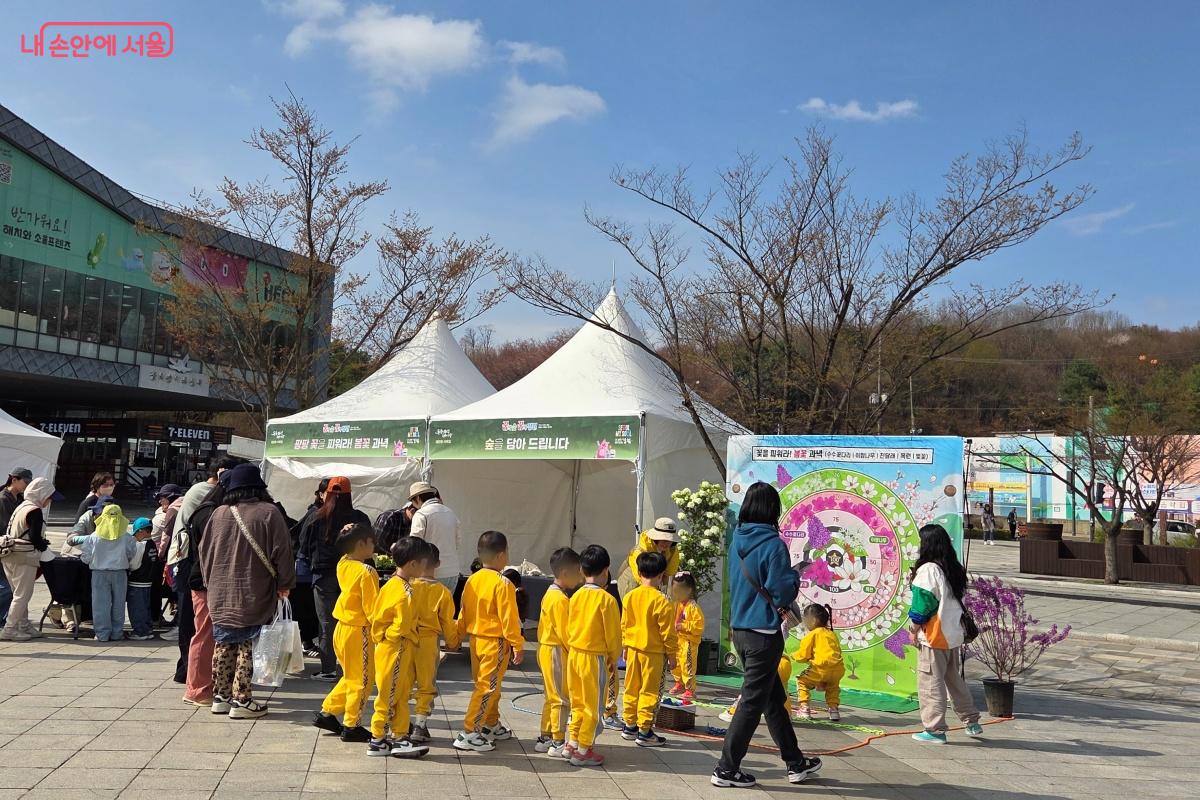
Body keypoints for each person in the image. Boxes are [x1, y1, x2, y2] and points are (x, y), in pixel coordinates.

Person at [715, 481, 822, 790]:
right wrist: (794, 576)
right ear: (772, 510)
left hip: (740, 629)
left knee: (772, 698)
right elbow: (781, 589)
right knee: (752, 701)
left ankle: (795, 762)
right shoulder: (774, 544)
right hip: (763, 632)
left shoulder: (737, 538)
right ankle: (726, 768)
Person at [198, 463, 295, 720]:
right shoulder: (268, 513)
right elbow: (283, 553)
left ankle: (220, 696)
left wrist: (211, 582)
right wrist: (285, 584)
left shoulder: (217, 514)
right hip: (253, 589)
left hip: (220, 591)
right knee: (248, 645)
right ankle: (242, 699)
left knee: (223, 642)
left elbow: (204, 553)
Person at [908, 523, 984, 744]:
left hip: (934, 636)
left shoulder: (928, 569)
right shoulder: (951, 567)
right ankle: (971, 721)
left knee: (930, 682)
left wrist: (913, 629)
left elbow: (922, 606)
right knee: (954, 680)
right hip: (953, 634)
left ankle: (935, 729)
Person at [454, 530, 523, 753]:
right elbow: (510, 619)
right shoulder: (503, 584)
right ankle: (470, 731)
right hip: (495, 642)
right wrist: (517, 644)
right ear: (502, 555)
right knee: (487, 688)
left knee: (489, 686)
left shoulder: (472, 580)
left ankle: (490, 723)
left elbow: (463, 613)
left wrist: (456, 637)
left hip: (475, 641)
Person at [299, 475, 371, 681]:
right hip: (355, 575)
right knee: (356, 621)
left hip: (323, 576)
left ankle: (329, 669)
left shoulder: (315, 517)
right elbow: (371, 544)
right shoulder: (359, 518)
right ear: (349, 495)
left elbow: (302, 546)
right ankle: (355, 667)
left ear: (327, 494)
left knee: (327, 623)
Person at [313, 523, 380, 743]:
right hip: (358, 630)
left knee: (351, 676)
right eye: (371, 541)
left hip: (342, 627)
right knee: (363, 680)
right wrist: (381, 634)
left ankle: (328, 712)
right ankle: (352, 724)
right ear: (361, 544)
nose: (373, 546)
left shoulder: (343, 563)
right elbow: (372, 609)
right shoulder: (367, 571)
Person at [166, 458, 231, 684]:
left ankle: (187, 670)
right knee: (190, 621)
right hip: (188, 562)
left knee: (194, 621)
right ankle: (188, 671)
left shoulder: (206, 492)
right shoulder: (203, 491)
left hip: (189, 561)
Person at [366, 536, 431, 759]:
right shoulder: (406, 592)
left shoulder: (391, 584)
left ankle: (399, 736)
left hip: (390, 647)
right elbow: (401, 625)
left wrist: (384, 635)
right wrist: (396, 636)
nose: (425, 567)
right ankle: (377, 738)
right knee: (390, 694)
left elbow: (377, 617)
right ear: (413, 564)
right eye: (423, 562)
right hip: (397, 647)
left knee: (399, 693)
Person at [562, 544, 621, 767]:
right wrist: (613, 658)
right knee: (593, 706)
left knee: (577, 702)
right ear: (605, 570)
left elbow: (569, 627)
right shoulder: (607, 600)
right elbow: (613, 635)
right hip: (594, 658)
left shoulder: (575, 596)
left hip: (575, 655)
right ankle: (584, 749)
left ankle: (573, 742)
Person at [620, 551, 677, 748]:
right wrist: (672, 655)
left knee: (631, 687)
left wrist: (625, 646)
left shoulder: (629, 596)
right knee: (650, 691)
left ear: (639, 572)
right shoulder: (662, 600)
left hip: (633, 649)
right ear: (661, 575)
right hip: (653, 653)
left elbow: (624, 625)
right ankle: (645, 730)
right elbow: (668, 632)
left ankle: (629, 725)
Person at [411, 543, 461, 743]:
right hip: (429, 642)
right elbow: (448, 622)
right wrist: (453, 642)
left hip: (405, 639)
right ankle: (420, 725)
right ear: (438, 563)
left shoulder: (408, 586)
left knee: (404, 683)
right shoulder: (442, 591)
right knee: (426, 685)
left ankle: (398, 723)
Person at [535, 547, 582, 756]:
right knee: (561, 698)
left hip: (547, 648)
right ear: (565, 573)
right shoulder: (560, 599)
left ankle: (546, 735)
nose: (580, 576)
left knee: (551, 696)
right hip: (556, 650)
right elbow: (566, 633)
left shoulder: (552, 594)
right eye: (577, 571)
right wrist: (576, 653)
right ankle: (557, 740)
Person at [72, 503, 138, 642]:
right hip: (120, 573)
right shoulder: (126, 537)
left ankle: (102, 634)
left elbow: (86, 557)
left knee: (100, 604)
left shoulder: (94, 537)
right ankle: (117, 633)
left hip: (99, 573)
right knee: (119, 604)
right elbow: (131, 553)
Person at [0, 476, 53, 641]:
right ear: (41, 494)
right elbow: (35, 537)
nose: (49, 500)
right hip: (24, 556)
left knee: (18, 593)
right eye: (48, 497)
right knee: (22, 595)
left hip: (9, 554)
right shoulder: (35, 511)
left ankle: (24, 625)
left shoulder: (22, 505)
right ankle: (9, 629)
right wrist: (44, 546)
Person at [290, 478, 328, 658]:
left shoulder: (319, 513)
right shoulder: (315, 514)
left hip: (309, 569)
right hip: (306, 570)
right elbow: (303, 543)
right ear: (320, 495)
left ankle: (306, 642)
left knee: (310, 609)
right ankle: (305, 642)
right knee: (307, 608)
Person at [792, 603, 844, 721]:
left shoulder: (813, 634)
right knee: (833, 687)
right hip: (838, 669)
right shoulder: (831, 634)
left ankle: (804, 708)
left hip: (820, 668)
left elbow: (803, 655)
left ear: (813, 620)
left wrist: (793, 656)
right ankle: (834, 710)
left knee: (801, 681)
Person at [408, 483, 463, 596]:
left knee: (426, 612)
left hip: (429, 573)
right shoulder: (450, 512)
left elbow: (414, 545)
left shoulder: (421, 514)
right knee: (445, 611)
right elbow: (458, 542)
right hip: (452, 571)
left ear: (417, 498)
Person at [0, 467, 32, 629]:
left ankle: (6, 618)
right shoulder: (3, 499)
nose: (27, 485)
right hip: (5, 546)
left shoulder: (17, 499)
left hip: (11, 547)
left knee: (10, 587)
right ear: (14, 480)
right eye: (25, 482)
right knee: (7, 587)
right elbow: (6, 527)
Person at [616, 518, 680, 598]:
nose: (666, 543)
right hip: (633, 580)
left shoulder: (672, 550)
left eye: (669, 539)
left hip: (655, 582)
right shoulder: (639, 551)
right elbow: (641, 577)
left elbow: (669, 572)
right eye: (663, 539)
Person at [669, 571, 705, 699]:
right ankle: (679, 682)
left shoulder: (693, 607)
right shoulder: (676, 605)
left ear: (689, 590)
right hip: (678, 640)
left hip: (689, 641)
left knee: (688, 665)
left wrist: (683, 626)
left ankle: (690, 688)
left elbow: (698, 626)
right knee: (676, 663)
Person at [127, 517, 161, 641]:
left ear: (141, 531)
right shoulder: (152, 544)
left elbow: (134, 564)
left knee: (137, 608)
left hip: (137, 581)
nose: (135, 536)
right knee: (146, 607)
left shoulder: (140, 545)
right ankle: (147, 629)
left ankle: (140, 631)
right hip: (148, 582)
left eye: (136, 533)